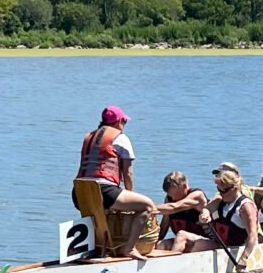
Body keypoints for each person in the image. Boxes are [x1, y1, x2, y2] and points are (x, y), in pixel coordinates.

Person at [72, 105, 157, 261]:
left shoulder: (89, 136)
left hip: (79, 192)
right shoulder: (121, 138)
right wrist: (130, 194)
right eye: (124, 121)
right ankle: (129, 248)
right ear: (118, 121)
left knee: (98, 215)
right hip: (103, 191)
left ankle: (99, 248)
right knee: (146, 206)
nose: (124, 124)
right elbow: (128, 173)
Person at [197, 169, 260, 270]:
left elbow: (253, 235)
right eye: (218, 189)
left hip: (237, 248)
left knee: (198, 245)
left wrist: (244, 258)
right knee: (182, 235)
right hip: (223, 244)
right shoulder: (219, 200)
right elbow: (207, 209)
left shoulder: (245, 207)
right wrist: (205, 215)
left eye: (223, 191)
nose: (220, 193)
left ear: (234, 188)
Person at [156, 172, 208, 252]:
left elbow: (175, 207)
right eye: (170, 195)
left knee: (181, 235)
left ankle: (171, 263)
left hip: (206, 241)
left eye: (175, 194)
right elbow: (164, 225)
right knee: (161, 245)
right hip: (187, 241)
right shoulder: (169, 199)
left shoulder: (197, 196)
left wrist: (148, 209)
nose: (173, 198)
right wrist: (154, 243)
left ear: (184, 186)